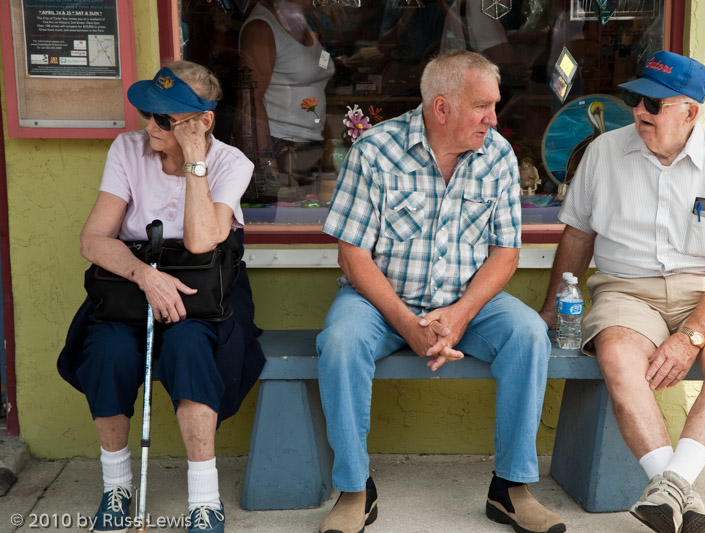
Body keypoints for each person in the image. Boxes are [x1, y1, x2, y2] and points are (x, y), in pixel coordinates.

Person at [316, 50, 566, 533]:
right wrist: (408, 325)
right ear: (442, 108)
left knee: (529, 334)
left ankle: (511, 489)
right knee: (341, 343)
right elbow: (353, 256)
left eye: (494, 105)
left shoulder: (497, 155)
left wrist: (460, 313)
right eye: (482, 106)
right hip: (379, 302)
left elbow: (505, 254)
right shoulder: (375, 151)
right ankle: (354, 490)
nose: (494, 119)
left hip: (467, 302)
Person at [540, 51, 705, 533]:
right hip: (627, 290)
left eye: (655, 104)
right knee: (618, 356)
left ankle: (668, 488)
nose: (640, 110)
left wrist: (692, 336)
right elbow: (577, 236)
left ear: (690, 112)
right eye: (637, 98)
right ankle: (677, 489)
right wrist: (550, 311)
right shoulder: (603, 153)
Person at [57, 61, 266, 533]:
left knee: (190, 348)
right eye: (148, 112)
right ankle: (116, 489)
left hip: (204, 292)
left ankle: (205, 500)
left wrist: (194, 161)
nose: (150, 125)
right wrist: (145, 276)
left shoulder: (232, 163)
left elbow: (201, 241)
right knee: (108, 351)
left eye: (165, 118)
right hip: (132, 287)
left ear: (203, 122)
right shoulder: (128, 149)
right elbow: (93, 240)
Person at [238, 0, 335, 179]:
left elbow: (316, 82)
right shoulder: (261, 29)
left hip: (311, 142)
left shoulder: (304, 21)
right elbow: (251, 100)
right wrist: (266, 161)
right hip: (281, 145)